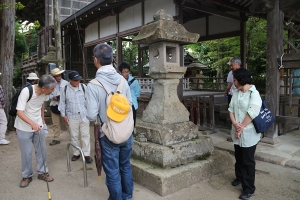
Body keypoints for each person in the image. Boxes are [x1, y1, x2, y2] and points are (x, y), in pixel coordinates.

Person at [86, 43, 133, 200]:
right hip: (126, 132)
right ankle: (127, 197)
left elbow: (92, 115)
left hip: (108, 134)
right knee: (125, 166)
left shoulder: (92, 86)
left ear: (95, 60)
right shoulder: (123, 80)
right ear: (112, 59)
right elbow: (130, 105)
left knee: (112, 171)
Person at [14, 74, 56, 188]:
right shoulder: (26, 92)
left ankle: (43, 172)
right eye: (51, 89)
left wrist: (42, 119)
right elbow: (19, 112)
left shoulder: (44, 94)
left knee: (42, 150)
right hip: (23, 127)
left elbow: (41, 105)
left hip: (38, 126)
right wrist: (32, 123)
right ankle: (27, 175)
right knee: (26, 153)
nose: (52, 92)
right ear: (43, 88)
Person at [228, 68, 262, 200]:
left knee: (248, 161)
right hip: (236, 131)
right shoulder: (236, 93)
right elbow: (230, 109)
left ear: (241, 79)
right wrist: (235, 124)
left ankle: (249, 189)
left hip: (248, 133)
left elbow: (252, 112)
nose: (233, 82)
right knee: (239, 158)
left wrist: (241, 127)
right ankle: (239, 178)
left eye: (235, 80)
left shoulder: (254, 93)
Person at [59, 71, 93, 163]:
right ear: (70, 80)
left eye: (79, 79)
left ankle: (86, 154)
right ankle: (76, 153)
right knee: (74, 136)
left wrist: (90, 111)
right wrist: (63, 115)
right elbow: (62, 103)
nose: (78, 81)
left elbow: (89, 100)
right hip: (72, 115)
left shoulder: (83, 87)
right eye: (75, 80)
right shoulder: (65, 89)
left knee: (85, 135)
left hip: (84, 115)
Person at [49, 68, 68, 146]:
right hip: (54, 105)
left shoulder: (66, 83)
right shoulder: (50, 84)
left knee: (68, 122)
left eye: (59, 75)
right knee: (55, 123)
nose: (59, 77)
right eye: (57, 76)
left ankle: (74, 137)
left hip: (64, 106)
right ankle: (56, 138)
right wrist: (52, 97)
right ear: (54, 77)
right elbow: (47, 94)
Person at [118, 62, 141, 127]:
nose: (126, 74)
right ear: (120, 72)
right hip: (121, 105)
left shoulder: (134, 81)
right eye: (124, 72)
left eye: (127, 72)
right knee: (123, 123)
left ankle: (132, 134)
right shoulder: (118, 81)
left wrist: (134, 98)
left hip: (132, 105)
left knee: (132, 121)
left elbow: (138, 92)